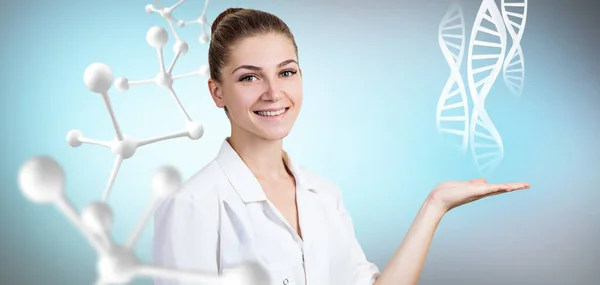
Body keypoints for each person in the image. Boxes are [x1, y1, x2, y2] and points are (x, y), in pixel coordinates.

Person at [152, 7, 530, 285]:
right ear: (217, 93)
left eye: (286, 72)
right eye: (250, 77)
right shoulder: (192, 206)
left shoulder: (324, 195)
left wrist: (435, 206)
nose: (273, 92)